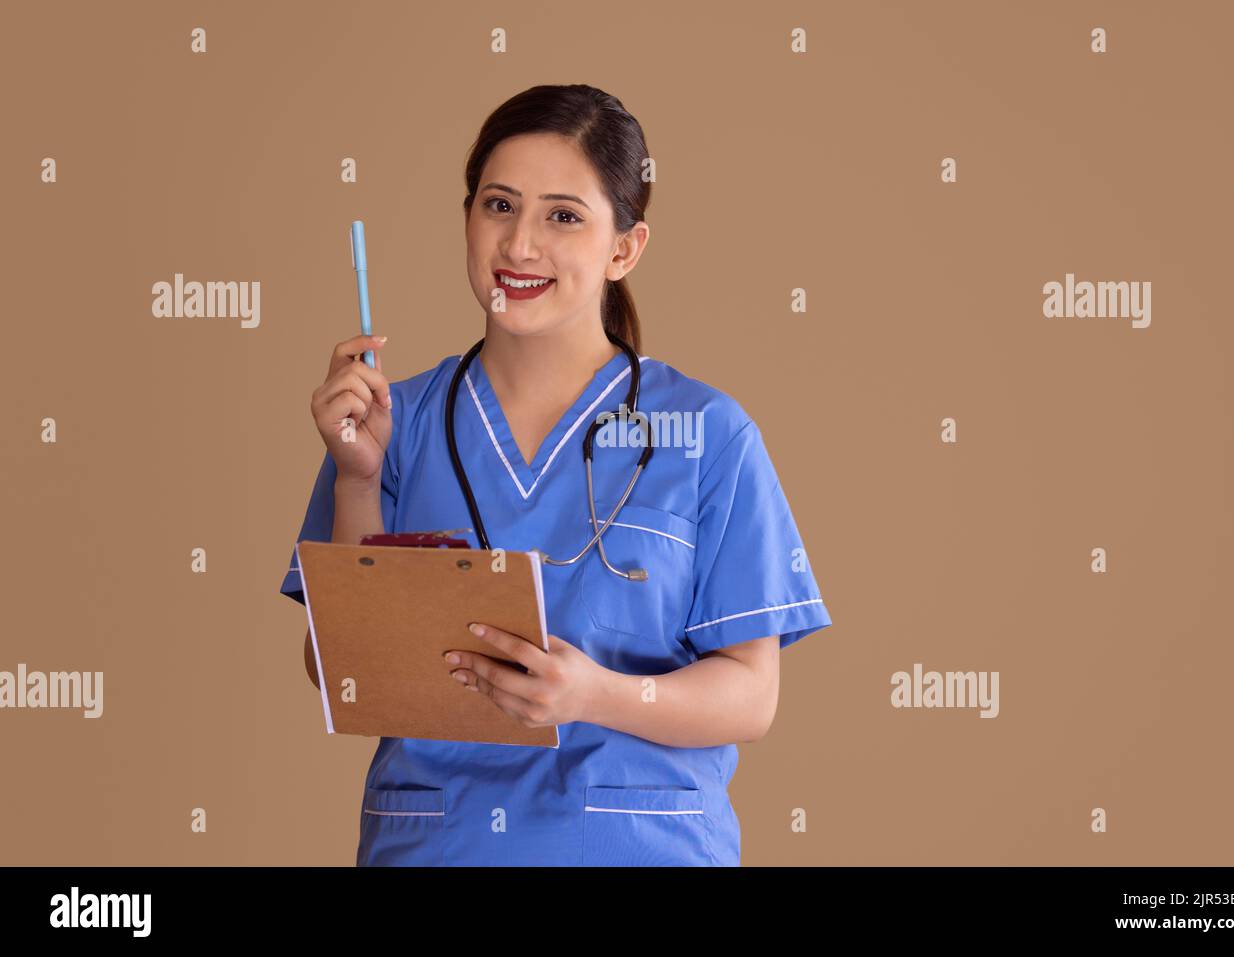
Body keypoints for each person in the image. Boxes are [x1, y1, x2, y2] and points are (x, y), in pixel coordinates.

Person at [279, 84, 832, 866]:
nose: (521, 245)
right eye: (498, 206)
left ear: (623, 248)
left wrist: (593, 694)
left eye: (563, 216)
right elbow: (340, 673)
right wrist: (356, 479)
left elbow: (752, 694)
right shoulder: (386, 424)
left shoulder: (708, 433)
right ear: (467, 218)